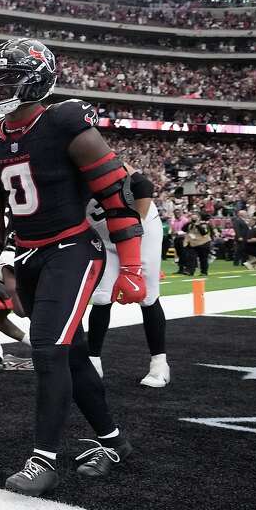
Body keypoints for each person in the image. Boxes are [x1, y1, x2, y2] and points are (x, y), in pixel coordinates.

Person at [0, 39, 139, 496]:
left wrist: (133, 267)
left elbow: (116, 194)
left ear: (38, 78)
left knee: (46, 349)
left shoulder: (65, 120)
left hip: (73, 249)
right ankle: (113, 442)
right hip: (29, 255)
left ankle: (43, 460)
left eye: (9, 76)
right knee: (71, 352)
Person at [85, 166, 170, 388]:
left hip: (140, 230)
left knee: (147, 295)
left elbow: (144, 185)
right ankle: (92, 361)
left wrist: (135, 231)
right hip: (104, 236)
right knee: (102, 296)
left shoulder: (94, 157)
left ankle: (159, 364)